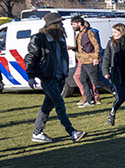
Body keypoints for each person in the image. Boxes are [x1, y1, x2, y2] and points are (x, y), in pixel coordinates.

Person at [25, 12, 86, 143]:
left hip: (60, 76)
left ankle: (37, 132)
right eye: (58, 23)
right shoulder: (39, 38)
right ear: (51, 25)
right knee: (59, 104)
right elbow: (31, 57)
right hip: (47, 76)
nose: (61, 25)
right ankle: (72, 132)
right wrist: (31, 75)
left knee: (47, 106)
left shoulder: (60, 38)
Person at [70, 16, 107, 107]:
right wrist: (71, 48)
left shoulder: (89, 32)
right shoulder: (79, 34)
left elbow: (96, 45)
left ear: (79, 23)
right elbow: (80, 48)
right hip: (83, 61)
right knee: (82, 79)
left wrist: (95, 58)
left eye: (73, 24)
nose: (72, 26)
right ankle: (90, 100)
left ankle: (114, 90)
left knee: (96, 81)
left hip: (91, 60)